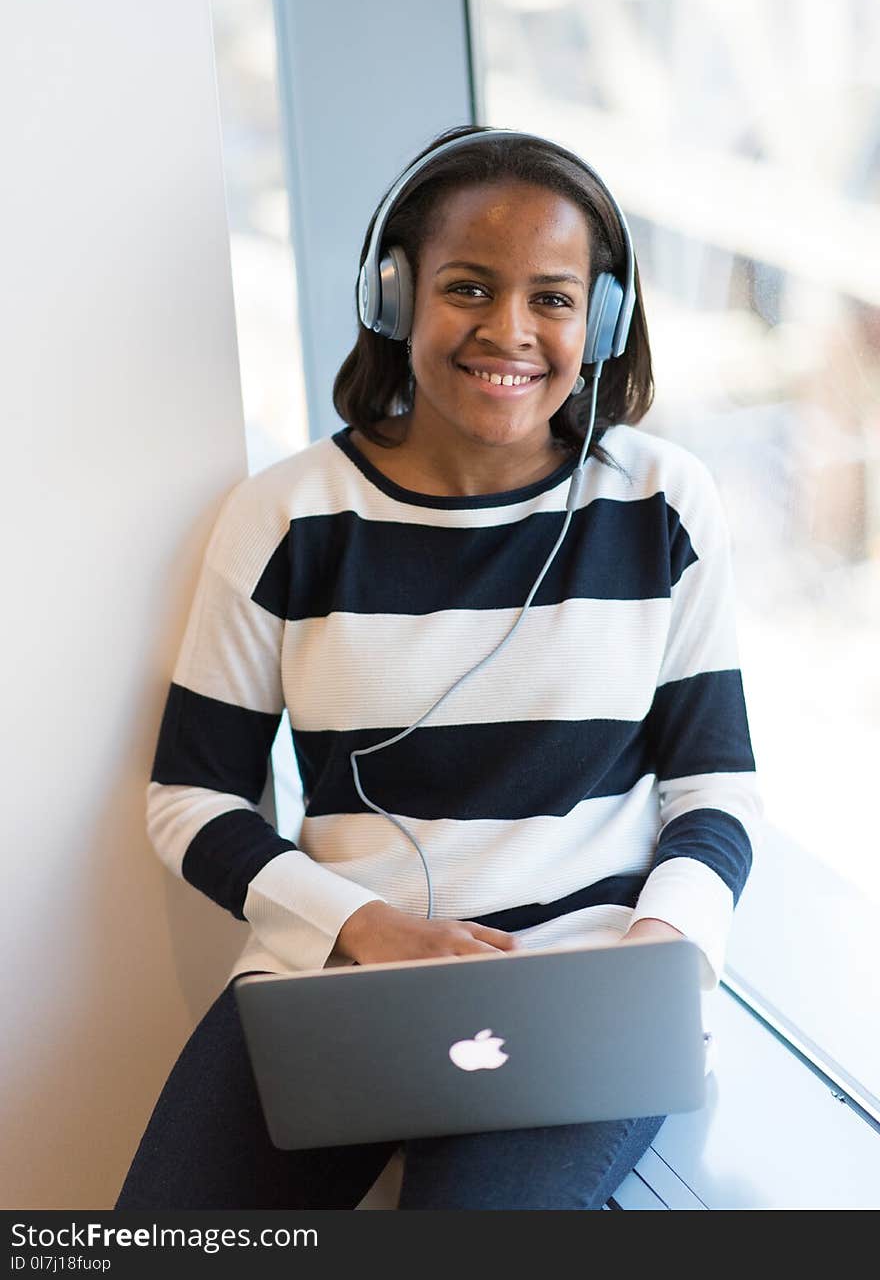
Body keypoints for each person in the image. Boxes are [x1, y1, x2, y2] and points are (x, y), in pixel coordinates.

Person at [115, 124, 762, 1210]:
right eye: (468, 286)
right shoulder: (288, 514)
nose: (508, 330)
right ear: (393, 294)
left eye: (552, 297)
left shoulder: (661, 502)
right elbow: (192, 795)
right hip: (336, 977)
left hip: (578, 986)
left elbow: (715, 789)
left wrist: (651, 957)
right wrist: (366, 930)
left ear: (599, 317)